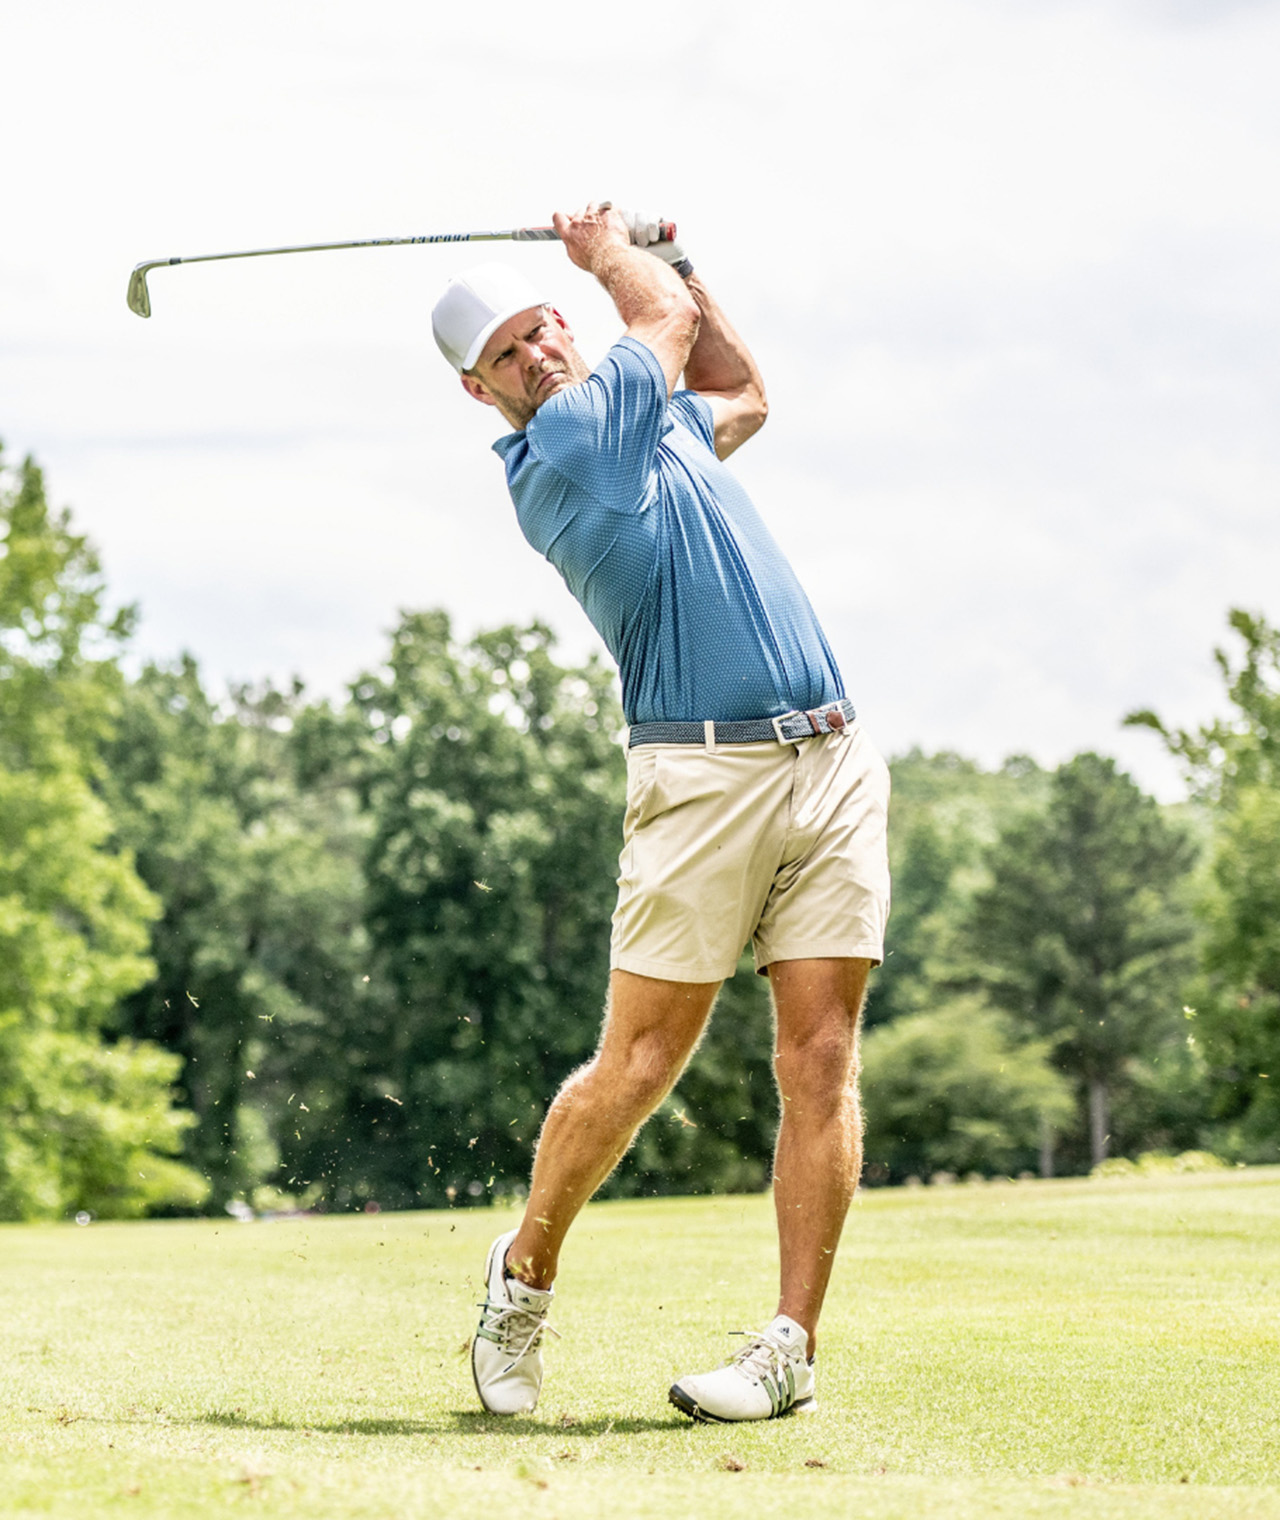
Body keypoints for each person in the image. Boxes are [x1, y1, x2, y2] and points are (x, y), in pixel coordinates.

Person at [431, 202, 890, 1424]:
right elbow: (666, 322)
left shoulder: (653, 420)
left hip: (829, 756)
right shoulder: (568, 446)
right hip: (699, 781)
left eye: (541, 330)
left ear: (562, 328)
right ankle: (524, 1272)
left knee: (819, 1055)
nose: (535, 356)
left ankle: (788, 1347)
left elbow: (739, 388)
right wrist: (611, 254)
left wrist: (676, 258)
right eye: (505, 356)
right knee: (638, 1064)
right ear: (482, 393)